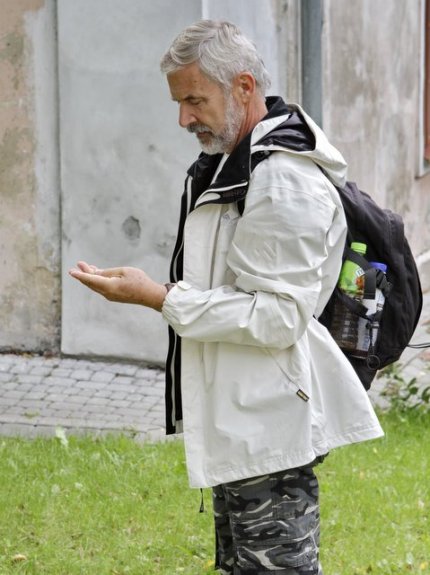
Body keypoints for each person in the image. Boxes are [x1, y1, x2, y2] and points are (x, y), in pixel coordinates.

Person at [69, 19, 384, 575]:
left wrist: (159, 297)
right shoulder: (238, 160)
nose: (184, 119)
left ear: (243, 86)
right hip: (245, 419)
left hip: (271, 426)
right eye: (179, 103)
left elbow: (280, 317)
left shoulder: (284, 181)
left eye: (195, 100)